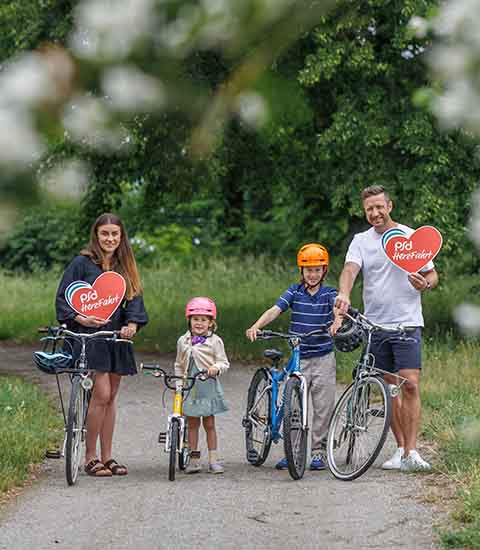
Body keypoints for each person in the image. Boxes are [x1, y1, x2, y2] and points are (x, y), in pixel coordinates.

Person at [335, 185, 438, 472]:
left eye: (379, 206)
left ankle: (414, 452)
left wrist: (425, 283)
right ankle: (400, 449)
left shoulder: (409, 237)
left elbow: (432, 274)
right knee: (389, 388)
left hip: (407, 324)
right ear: (364, 211)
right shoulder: (361, 241)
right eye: (370, 209)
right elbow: (349, 271)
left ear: (389, 206)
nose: (375, 213)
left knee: (411, 385)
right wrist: (344, 293)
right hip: (375, 327)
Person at [56, 213, 148, 477]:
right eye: (104, 233)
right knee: (101, 394)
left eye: (114, 234)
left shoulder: (125, 266)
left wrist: (133, 324)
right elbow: (64, 298)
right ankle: (89, 457)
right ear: (96, 235)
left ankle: (108, 457)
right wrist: (79, 317)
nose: (110, 239)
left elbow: (135, 300)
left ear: (121, 237)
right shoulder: (82, 264)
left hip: (117, 337)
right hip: (90, 337)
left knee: (111, 398)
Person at [246, 244, 342, 471]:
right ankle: (293, 451)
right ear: (301, 271)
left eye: (317, 270)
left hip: (323, 357)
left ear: (324, 271)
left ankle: (318, 453)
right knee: (294, 408)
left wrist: (337, 321)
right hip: (300, 356)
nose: (313, 274)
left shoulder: (328, 293)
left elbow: (339, 308)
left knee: (322, 407)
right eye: (308, 270)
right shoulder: (294, 291)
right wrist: (257, 326)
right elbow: (275, 309)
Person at [174, 297, 229, 474]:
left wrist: (216, 368)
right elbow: (179, 364)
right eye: (195, 319)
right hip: (190, 386)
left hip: (207, 386)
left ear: (211, 323)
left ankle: (213, 459)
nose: (199, 323)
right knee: (192, 424)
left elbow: (224, 362)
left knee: (209, 423)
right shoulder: (183, 340)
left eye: (203, 320)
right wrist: (178, 384)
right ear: (189, 320)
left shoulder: (215, 341)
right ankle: (194, 459)